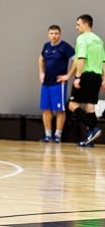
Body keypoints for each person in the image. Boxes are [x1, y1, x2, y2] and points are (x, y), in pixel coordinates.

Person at [65, 14, 105, 146]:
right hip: (97, 77)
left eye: (78, 24)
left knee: (72, 105)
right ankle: (90, 141)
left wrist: (77, 77)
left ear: (85, 25)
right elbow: (103, 62)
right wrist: (104, 78)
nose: (76, 27)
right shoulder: (99, 40)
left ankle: (93, 129)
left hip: (85, 75)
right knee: (90, 107)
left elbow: (81, 59)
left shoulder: (82, 38)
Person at [38, 25, 75, 142]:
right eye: (51, 33)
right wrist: (41, 73)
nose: (53, 36)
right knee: (46, 109)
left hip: (58, 84)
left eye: (56, 33)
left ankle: (58, 135)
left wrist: (68, 75)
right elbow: (41, 59)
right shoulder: (46, 46)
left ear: (60, 34)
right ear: (48, 34)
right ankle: (48, 135)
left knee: (60, 110)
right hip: (46, 84)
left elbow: (76, 61)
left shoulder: (65, 47)